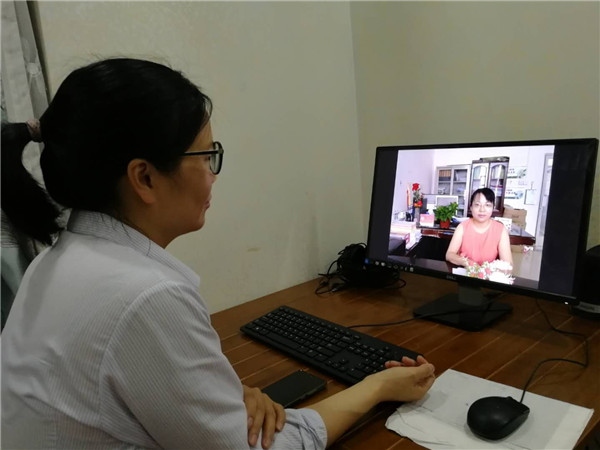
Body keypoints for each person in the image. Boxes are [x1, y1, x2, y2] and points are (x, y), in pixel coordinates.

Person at [1, 57, 436, 450]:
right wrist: (378, 386)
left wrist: (224, 395)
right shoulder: (145, 297)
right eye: (207, 155)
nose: (213, 176)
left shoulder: (57, 261)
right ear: (145, 178)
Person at [445, 187, 513, 268]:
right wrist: (467, 262)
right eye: (477, 205)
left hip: (489, 274)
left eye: (487, 205)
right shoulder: (462, 227)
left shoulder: (500, 230)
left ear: (493, 207)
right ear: (471, 207)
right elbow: (449, 254)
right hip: (465, 273)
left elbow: (508, 264)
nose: (482, 210)